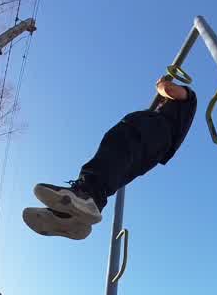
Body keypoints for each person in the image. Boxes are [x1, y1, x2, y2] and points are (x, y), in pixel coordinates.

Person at [23, 74, 197, 240]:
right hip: (155, 151)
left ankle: (87, 195)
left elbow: (171, 90)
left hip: (152, 131)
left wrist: (161, 84)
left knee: (115, 144)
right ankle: (70, 215)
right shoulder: (173, 121)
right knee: (117, 169)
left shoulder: (188, 99)